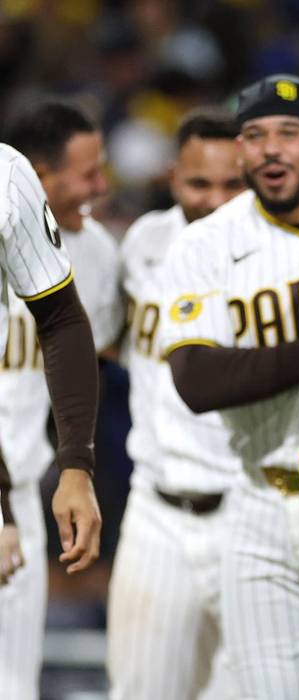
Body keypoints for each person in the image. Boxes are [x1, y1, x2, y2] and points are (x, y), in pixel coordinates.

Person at [158, 74, 299, 700]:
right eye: (254, 136)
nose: (271, 149)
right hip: (258, 499)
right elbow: (198, 380)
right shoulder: (204, 243)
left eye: (289, 133)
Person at [107, 108, 247, 700]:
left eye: (230, 184)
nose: (214, 200)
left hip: (251, 510)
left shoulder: (280, 255)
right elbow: (104, 341)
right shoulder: (145, 242)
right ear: (172, 178)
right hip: (157, 512)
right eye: (198, 184)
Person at [0, 100, 123, 698]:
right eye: (88, 172)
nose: (102, 187)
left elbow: (73, 333)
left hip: (18, 493)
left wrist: (74, 466)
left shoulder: (7, 180)